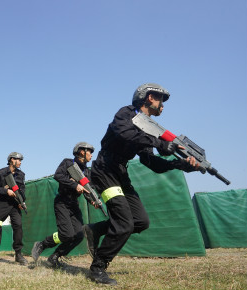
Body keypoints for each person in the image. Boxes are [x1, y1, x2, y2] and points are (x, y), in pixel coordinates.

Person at [83, 83, 200, 285]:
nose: (162, 105)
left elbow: (152, 162)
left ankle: (95, 230)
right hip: (104, 169)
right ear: (148, 97)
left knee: (140, 221)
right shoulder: (126, 113)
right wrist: (162, 143)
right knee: (124, 223)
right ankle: (98, 267)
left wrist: (182, 164)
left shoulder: (149, 128)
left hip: (120, 172)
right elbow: (126, 133)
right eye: (160, 100)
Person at [31, 142, 97, 268]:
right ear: (82, 151)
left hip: (74, 205)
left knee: (78, 236)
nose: (92, 155)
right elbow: (58, 175)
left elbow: (89, 190)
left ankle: (54, 257)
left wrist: (92, 200)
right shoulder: (68, 163)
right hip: (62, 202)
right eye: (90, 151)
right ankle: (43, 244)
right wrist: (74, 185)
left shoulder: (87, 172)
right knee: (66, 234)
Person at [0, 152, 28, 266]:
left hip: (15, 205)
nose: (20, 162)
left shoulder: (21, 174)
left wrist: (21, 201)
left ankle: (18, 255)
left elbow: (22, 191)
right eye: (18, 160)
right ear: (11, 160)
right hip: (2, 204)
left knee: (18, 227)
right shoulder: (2, 172)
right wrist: (6, 191)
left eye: (20, 160)